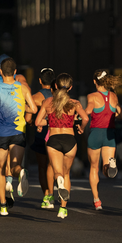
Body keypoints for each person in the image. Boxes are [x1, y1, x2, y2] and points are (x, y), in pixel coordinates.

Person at [0, 57, 37, 216]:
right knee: (13, 167)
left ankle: (2, 205)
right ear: (15, 72)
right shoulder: (23, 88)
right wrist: (22, 106)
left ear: (0, 71)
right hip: (18, 132)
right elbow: (34, 109)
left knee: (0, 168)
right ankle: (20, 172)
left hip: (0, 132)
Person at [35, 73, 89, 219]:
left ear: (56, 86)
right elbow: (85, 118)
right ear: (70, 87)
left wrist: (49, 123)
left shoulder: (48, 102)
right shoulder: (75, 103)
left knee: (57, 172)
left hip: (53, 140)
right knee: (67, 174)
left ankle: (58, 182)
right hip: (70, 141)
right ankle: (63, 209)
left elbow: (37, 122)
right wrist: (81, 128)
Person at [85, 69, 122, 210]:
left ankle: (97, 200)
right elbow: (120, 113)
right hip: (109, 135)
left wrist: (79, 115)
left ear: (95, 81)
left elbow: (88, 111)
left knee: (94, 168)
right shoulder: (113, 96)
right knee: (106, 170)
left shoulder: (92, 96)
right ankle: (111, 164)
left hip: (95, 134)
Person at [31, 67, 57, 210]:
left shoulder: (35, 97)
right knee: (52, 165)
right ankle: (53, 192)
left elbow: (29, 115)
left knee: (42, 167)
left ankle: (46, 195)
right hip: (55, 132)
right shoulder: (59, 97)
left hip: (41, 133)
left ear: (40, 80)